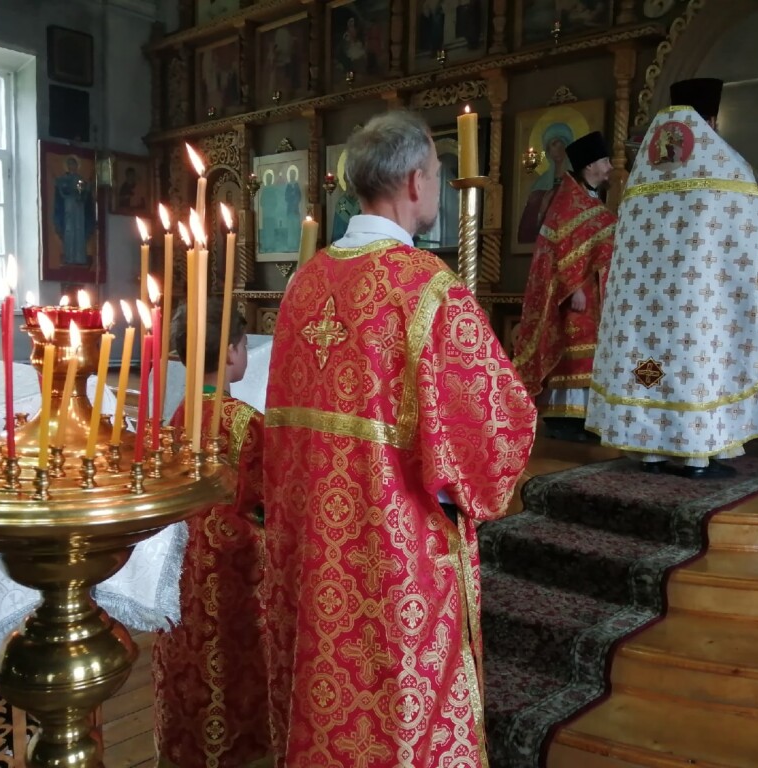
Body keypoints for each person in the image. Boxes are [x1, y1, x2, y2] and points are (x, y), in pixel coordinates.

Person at [262, 110, 537, 766]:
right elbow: (499, 425)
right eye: (438, 174)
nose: (436, 186)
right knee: (397, 697)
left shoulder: (303, 285)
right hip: (398, 552)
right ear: (416, 181)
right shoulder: (428, 291)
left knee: (328, 688)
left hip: (308, 545)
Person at [584, 78, 758, 479]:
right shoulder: (731, 172)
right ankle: (695, 455)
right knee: (695, 369)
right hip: (699, 311)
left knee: (647, 370)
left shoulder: (639, 181)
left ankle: (648, 450)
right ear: (712, 119)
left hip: (643, 313)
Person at [152, 299, 271, 767]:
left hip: (181, 563)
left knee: (190, 661)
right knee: (235, 666)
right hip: (236, 567)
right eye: (243, 346)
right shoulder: (245, 421)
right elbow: (269, 498)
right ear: (230, 352)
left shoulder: (181, 415)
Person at [513, 130, 616, 442]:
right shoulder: (567, 201)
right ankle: (564, 419)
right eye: (605, 160)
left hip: (598, 296)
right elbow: (556, 249)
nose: (610, 166)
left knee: (592, 353)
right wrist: (574, 288)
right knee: (574, 354)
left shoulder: (590, 199)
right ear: (589, 166)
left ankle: (585, 417)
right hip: (577, 297)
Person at [517, 122, 574, 243]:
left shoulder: (576, 181)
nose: (559, 148)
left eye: (562, 143)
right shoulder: (540, 184)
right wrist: (541, 210)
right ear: (548, 150)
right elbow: (526, 229)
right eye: (554, 144)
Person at [53, 156, 96, 266]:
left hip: (79, 207)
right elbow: (62, 192)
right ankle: (69, 257)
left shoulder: (80, 179)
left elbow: (83, 193)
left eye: (74, 164)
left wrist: (86, 189)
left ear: (77, 166)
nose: (73, 166)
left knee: (79, 229)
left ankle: (80, 257)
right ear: (68, 166)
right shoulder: (64, 179)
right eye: (70, 164)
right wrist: (59, 185)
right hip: (68, 205)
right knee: (69, 230)